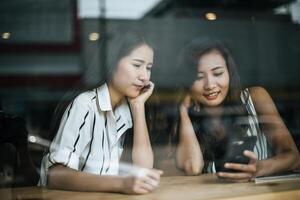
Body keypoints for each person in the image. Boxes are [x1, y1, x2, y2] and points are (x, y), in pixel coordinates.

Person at [38, 29, 162, 194]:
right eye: (137, 65)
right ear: (111, 63)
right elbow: (55, 175)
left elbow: (143, 169)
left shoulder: (127, 107)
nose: (145, 76)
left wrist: (138, 106)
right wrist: (121, 184)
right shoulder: (86, 105)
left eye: (148, 67)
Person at [174, 37, 299, 182]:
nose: (209, 84)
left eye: (218, 73)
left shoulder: (255, 97)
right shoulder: (185, 117)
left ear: (229, 73)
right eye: (198, 77)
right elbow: (192, 168)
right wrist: (183, 111)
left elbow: (293, 157)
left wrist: (260, 168)